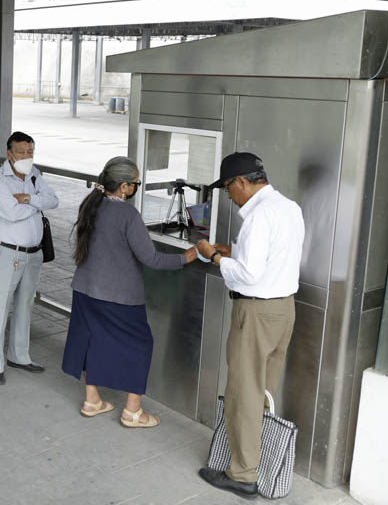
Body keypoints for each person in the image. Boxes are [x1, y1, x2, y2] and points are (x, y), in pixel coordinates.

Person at [196, 153, 304, 500]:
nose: (229, 195)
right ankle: (252, 461)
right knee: (262, 392)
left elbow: (249, 275)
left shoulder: (259, 217)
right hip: (283, 310)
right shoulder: (289, 207)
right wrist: (235, 249)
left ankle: (242, 475)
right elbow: (275, 256)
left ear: (242, 181)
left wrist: (214, 256)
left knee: (244, 393)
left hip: (256, 314)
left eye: (228, 188)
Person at [62, 156, 197, 426]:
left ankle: (93, 401)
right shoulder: (127, 214)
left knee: (93, 341)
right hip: (119, 297)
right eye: (135, 183)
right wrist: (190, 256)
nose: (136, 187)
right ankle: (133, 411)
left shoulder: (91, 204)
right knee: (140, 345)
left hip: (85, 289)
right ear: (123, 187)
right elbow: (152, 259)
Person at [0, 132, 59, 385]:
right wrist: (37, 203)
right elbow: (11, 213)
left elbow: (54, 201)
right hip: (9, 253)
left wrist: (27, 199)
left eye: (30, 152)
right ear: (9, 154)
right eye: (22, 152)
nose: (27, 157)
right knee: (0, 307)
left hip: (34, 253)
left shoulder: (34, 173)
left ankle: (19, 355)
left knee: (25, 305)